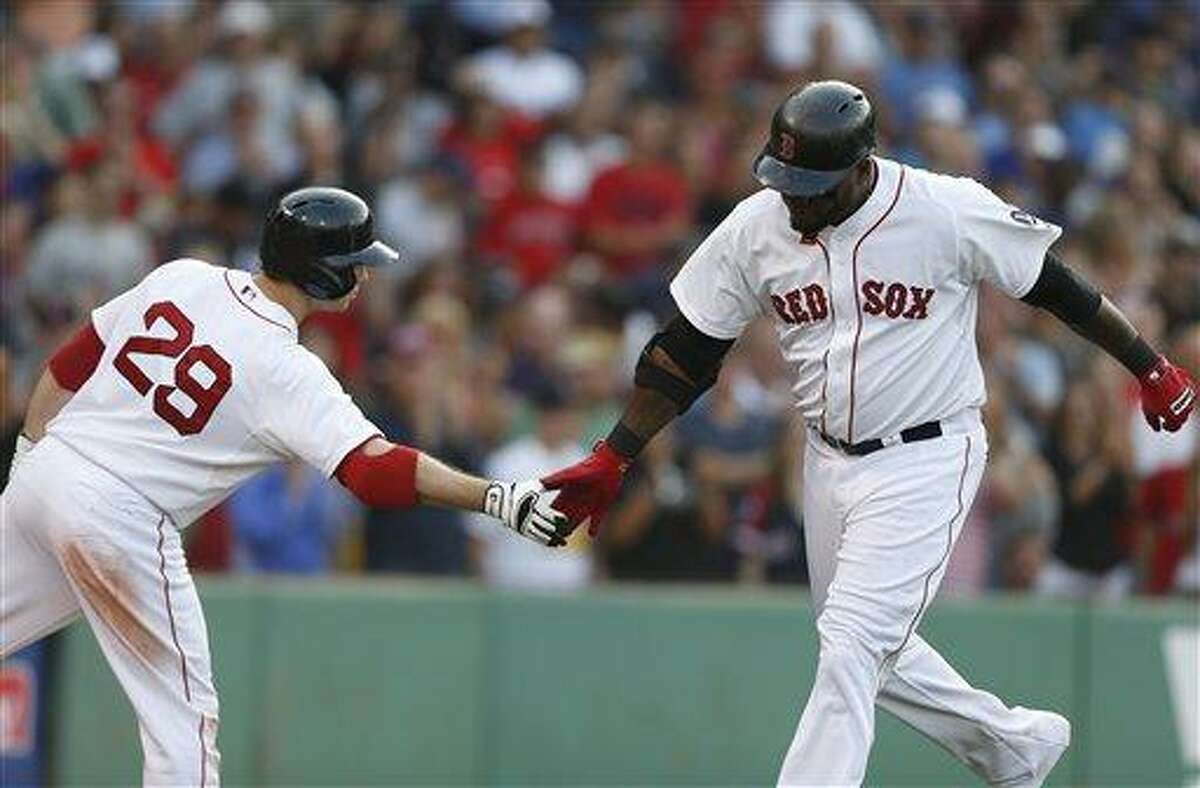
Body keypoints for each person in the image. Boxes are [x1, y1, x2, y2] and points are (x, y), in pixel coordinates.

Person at [540, 82, 1197, 787]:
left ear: (861, 168)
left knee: (852, 647)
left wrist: (1148, 365)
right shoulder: (757, 226)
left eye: (811, 185)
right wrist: (616, 452)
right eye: (784, 179)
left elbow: (1055, 286)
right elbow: (683, 354)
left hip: (928, 455)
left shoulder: (944, 209)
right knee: (865, 647)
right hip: (827, 462)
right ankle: (1012, 748)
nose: (794, 199)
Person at [0, 187, 568, 785]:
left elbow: (71, 361)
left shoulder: (183, 276)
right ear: (323, 276)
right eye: (356, 266)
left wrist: (32, 457)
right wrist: (494, 496)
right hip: (121, 517)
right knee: (184, 727)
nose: (365, 279)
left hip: (51, 467)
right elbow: (374, 470)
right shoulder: (285, 368)